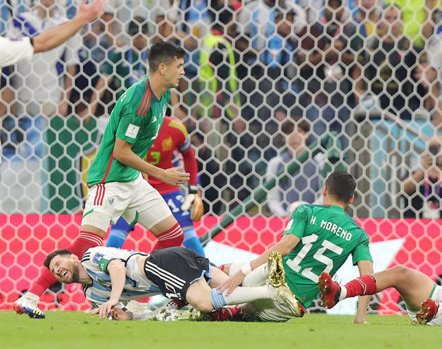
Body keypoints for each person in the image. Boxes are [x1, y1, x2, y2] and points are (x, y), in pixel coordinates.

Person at [15, 41, 189, 319]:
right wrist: (161, 174)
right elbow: (121, 152)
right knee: (85, 245)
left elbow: (138, 147)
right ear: (163, 67)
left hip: (133, 181)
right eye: (179, 66)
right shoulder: (139, 102)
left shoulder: (162, 95)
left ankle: (136, 299)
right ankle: (31, 296)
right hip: (108, 182)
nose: (183, 71)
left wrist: (145, 175)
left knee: (172, 236)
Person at [218, 172, 374, 323]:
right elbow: (367, 278)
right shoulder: (358, 235)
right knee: (241, 313)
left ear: (325, 190)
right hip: (290, 304)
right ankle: (233, 308)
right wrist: (360, 317)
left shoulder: (306, 211)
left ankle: (204, 286)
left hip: (270, 277)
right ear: (351, 199)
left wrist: (245, 269)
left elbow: (285, 246)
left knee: (225, 271)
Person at [43, 246, 294, 321]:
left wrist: (113, 299)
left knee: (206, 303)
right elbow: (126, 315)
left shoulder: (91, 256)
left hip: (158, 266)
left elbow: (117, 268)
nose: (58, 271)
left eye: (59, 264)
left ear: (74, 258)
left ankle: (270, 290)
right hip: (168, 271)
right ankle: (269, 270)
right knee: (234, 289)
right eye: (55, 272)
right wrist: (117, 314)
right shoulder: (91, 294)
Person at [106, 116, 205, 257]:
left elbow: (189, 155)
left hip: (167, 190)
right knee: (117, 232)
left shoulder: (176, 128)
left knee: (187, 232)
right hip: (133, 188)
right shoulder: (128, 126)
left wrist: (193, 190)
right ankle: (102, 274)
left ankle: (206, 273)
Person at [0, 0, 105, 68]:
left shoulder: (63, 22)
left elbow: (70, 62)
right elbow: (42, 43)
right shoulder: (20, 21)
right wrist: (81, 19)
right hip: (22, 90)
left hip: (52, 91)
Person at [265, 118, 326, 217]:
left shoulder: (320, 161)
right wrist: (283, 214)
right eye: (289, 132)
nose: (294, 136)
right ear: (283, 137)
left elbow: (325, 195)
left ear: (307, 134)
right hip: (286, 221)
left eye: (299, 131)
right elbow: (272, 197)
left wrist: (309, 212)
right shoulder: (275, 163)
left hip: (314, 219)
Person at [401, 135, 442, 219]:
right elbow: (403, 190)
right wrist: (423, 169)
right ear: (425, 152)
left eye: (440, 148)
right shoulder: (413, 173)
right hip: (415, 227)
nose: (436, 152)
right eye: (432, 148)